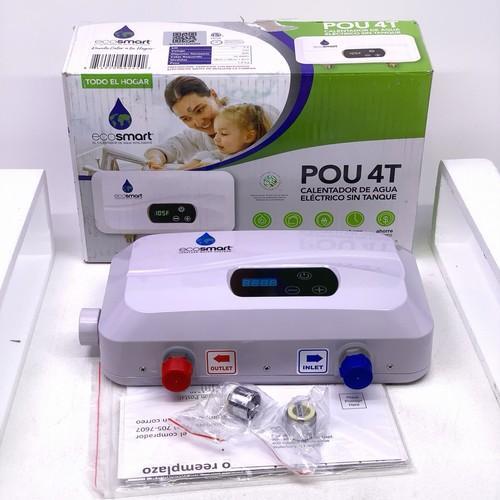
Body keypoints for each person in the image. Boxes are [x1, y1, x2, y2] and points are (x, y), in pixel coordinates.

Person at [144, 76, 278, 170]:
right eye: (186, 119)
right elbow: (167, 148)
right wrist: (155, 159)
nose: (198, 122)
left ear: (213, 95)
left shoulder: (255, 116)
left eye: (200, 110)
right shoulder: (196, 135)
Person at [185, 103, 272, 168]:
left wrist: (209, 165)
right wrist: (197, 160)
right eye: (216, 133)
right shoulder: (230, 152)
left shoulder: (252, 161)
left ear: (249, 137)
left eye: (224, 133)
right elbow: (212, 154)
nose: (216, 139)